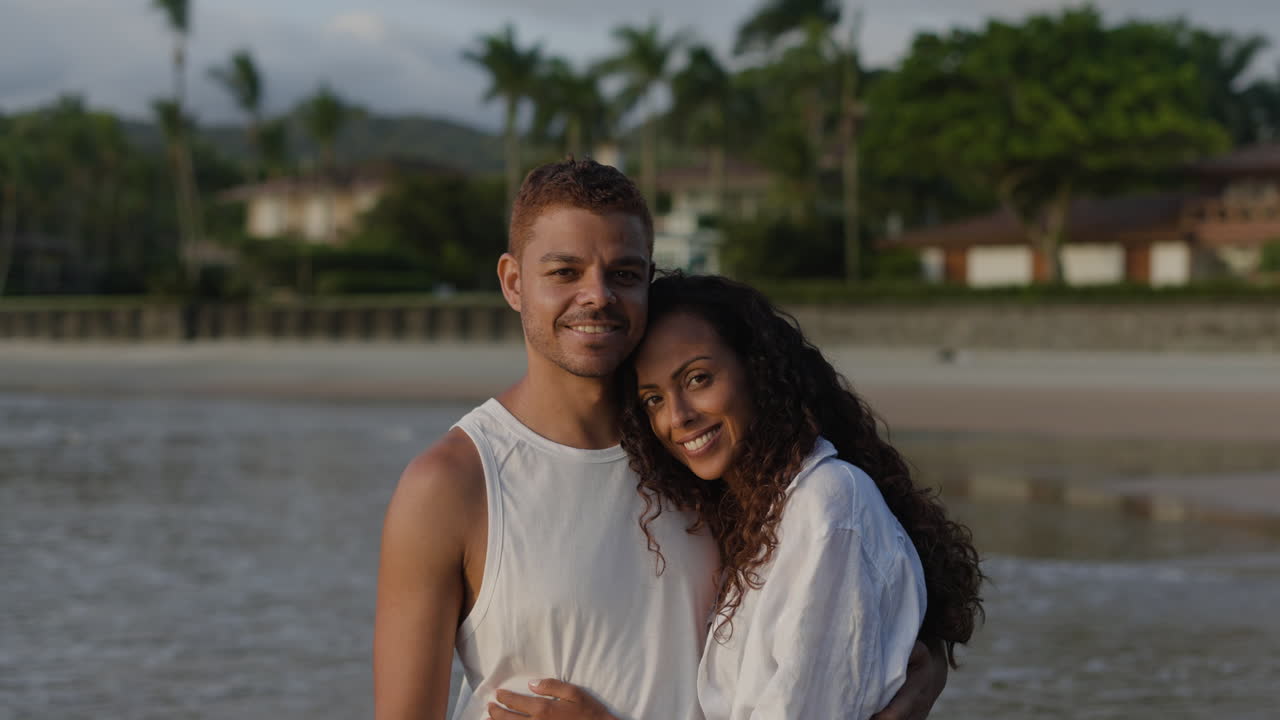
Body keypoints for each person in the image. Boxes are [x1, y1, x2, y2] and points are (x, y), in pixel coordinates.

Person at [374, 160, 950, 720]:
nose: (597, 295)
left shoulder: (700, 453)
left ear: (647, 281)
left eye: (623, 273)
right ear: (513, 282)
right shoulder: (452, 484)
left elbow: (841, 596)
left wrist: (913, 672)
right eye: (564, 272)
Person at [485, 273, 984, 720]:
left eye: (698, 379)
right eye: (653, 399)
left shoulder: (828, 506)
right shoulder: (753, 518)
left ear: (757, 370)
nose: (676, 416)